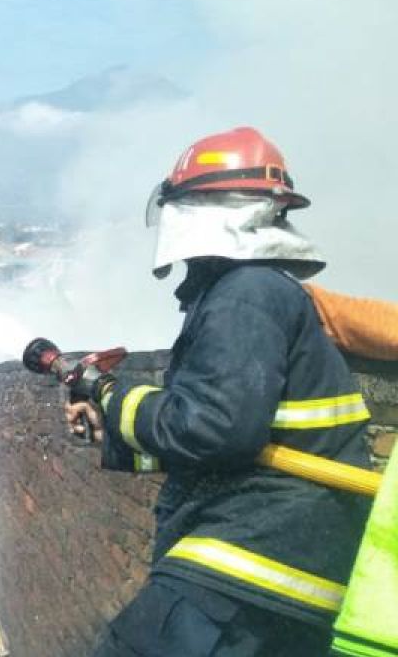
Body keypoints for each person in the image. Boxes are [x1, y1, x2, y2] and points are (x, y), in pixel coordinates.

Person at [67, 127, 372, 656]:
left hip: (247, 566)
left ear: (200, 210)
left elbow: (216, 429)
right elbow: (238, 444)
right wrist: (111, 436)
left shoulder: (244, 296)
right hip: (276, 571)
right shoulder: (258, 294)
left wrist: (113, 394)